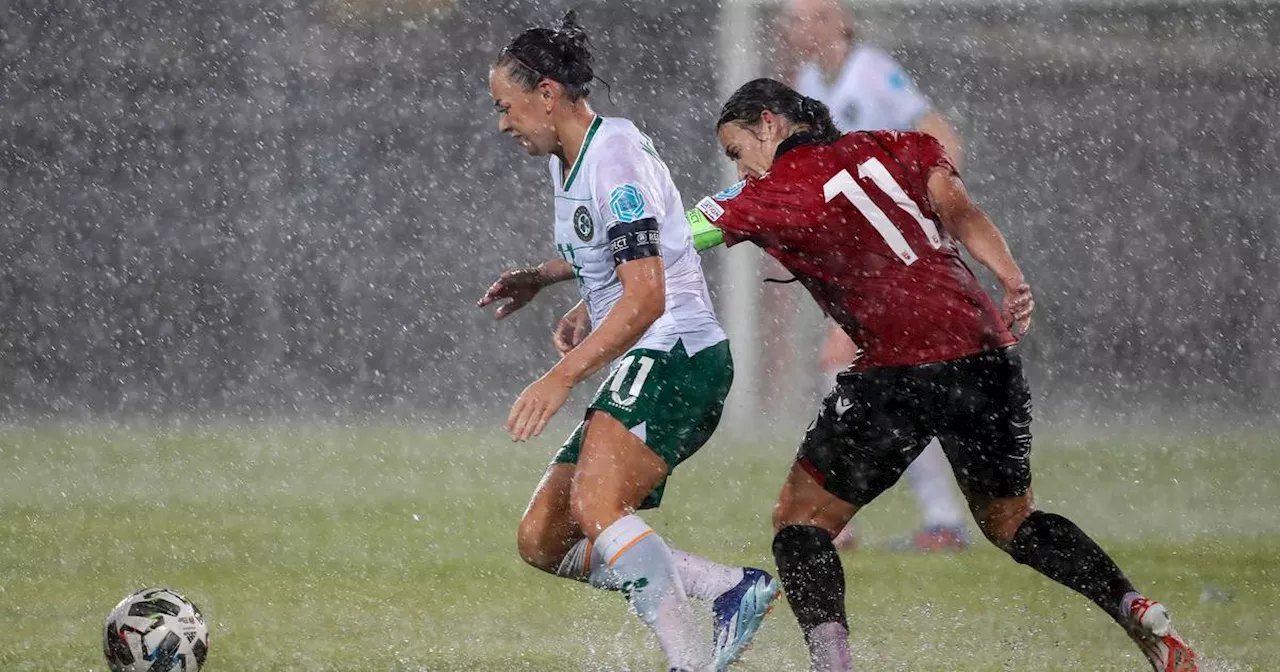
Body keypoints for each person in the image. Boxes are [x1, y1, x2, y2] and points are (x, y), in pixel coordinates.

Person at [684, 78, 1198, 672]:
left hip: (899, 366)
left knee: (799, 522)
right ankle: (1135, 608)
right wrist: (1009, 275)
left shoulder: (774, 191)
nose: (742, 170)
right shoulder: (899, 145)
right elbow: (958, 208)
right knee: (1013, 522)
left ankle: (833, 666)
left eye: (736, 152)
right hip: (984, 350)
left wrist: (555, 272)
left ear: (768, 123)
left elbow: (668, 238)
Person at [477, 13, 778, 672]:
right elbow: (637, 245)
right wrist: (555, 279)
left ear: (548, 94)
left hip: (680, 351)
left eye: (506, 105)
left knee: (595, 504)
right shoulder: (569, 159)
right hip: (652, 354)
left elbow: (647, 297)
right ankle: (728, 588)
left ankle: (689, 661)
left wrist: (561, 378)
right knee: (543, 537)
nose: (502, 121)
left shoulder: (614, 156)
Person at [782, 0, 970, 552]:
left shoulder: (874, 72)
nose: (799, 28)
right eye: (792, 19)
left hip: (897, 251)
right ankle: (934, 518)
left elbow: (941, 138)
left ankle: (848, 512)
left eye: (809, 16)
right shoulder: (808, 83)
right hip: (859, 256)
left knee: (847, 367)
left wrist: (934, 211)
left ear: (838, 20)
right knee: (887, 379)